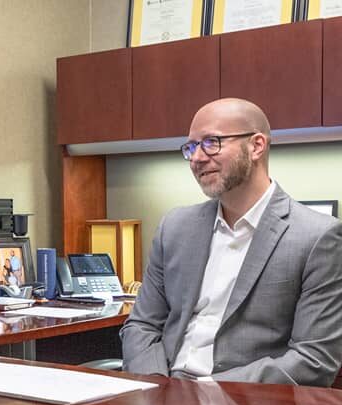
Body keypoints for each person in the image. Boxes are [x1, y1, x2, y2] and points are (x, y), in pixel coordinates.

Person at [121, 98, 342, 386]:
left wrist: (206, 391)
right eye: (191, 147)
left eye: (212, 142)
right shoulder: (174, 228)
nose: (197, 158)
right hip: (164, 395)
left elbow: (314, 358)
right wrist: (157, 387)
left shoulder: (317, 237)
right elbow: (142, 325)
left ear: (256, 146)